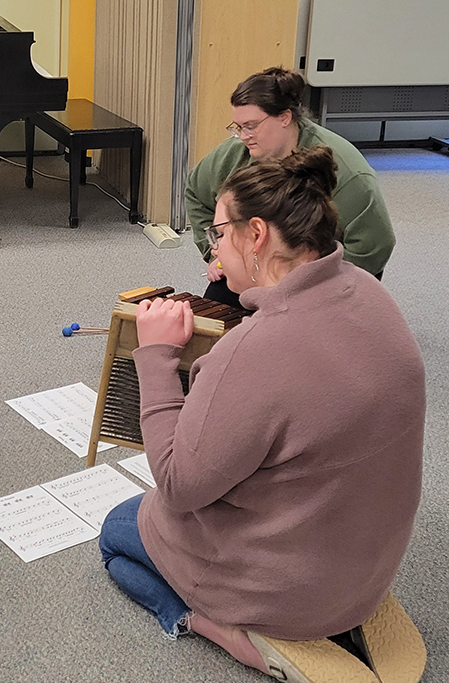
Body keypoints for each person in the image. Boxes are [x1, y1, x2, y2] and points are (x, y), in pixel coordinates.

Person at [99, 147, 425, 681]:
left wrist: (157, 356)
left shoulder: (253, 351)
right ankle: (334, 616)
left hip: (287, 591)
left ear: (256, 235)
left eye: (219, 235)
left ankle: (230, 633)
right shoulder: (370, 292)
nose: (215, 251)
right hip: (369, 567)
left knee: (116, 530)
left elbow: (180, 485)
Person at [186, 67, 395, 309]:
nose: (243, 136)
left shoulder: (348, 173)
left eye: (251, 126)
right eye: (238, 127)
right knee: (216, 313)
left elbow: (374, 247)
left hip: (317, 278)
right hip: (256, 265)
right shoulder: (233, 156)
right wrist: (220, 253)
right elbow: (195, 192)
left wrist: (306, 282)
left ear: (285, 117)